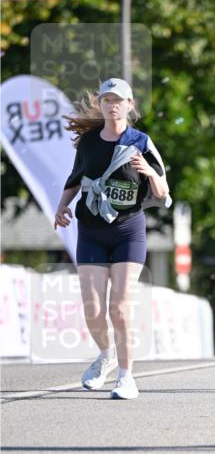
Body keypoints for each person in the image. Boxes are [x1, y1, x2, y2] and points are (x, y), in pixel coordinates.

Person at [54, 78, 170, 400]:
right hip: (91, 230)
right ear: (102, 104)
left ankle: (126, 376)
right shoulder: (89, 142)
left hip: (128, 231)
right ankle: (105, 355)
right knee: (92, 309)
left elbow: (163, 193)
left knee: (118, 308)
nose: (112, 104)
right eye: (106, 99)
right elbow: (75, 178)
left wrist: (148, 170)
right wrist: (61, 207)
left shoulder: (141, 141)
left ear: (130, 105)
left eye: (118, 100)